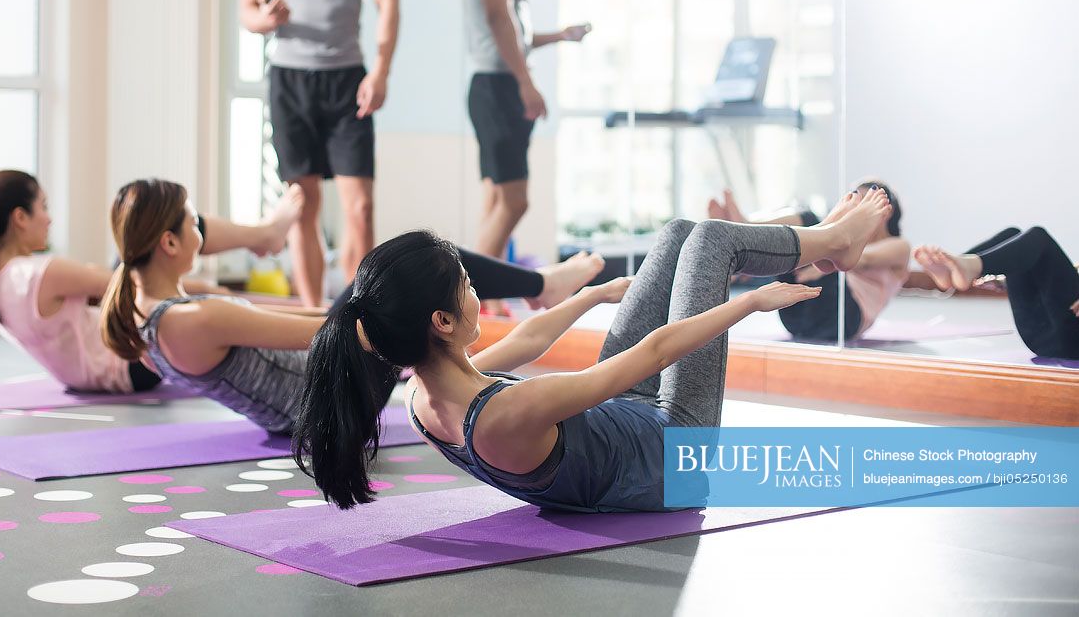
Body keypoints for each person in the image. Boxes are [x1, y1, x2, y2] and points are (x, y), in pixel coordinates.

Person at [293, 189, 892, 511]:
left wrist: (594, 295)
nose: (480, 296)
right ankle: (837, 242)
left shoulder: (423, 392)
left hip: (626, 422)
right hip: (674, 455)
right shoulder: (503, 415)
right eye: (471, 288)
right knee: (710, 242)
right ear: (443, 321)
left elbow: (527, 339)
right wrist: (745, 306)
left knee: (678, 235)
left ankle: (831, 244)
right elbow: (653, 354)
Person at [99, 178, 606, 430]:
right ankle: (540, 286)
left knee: (389, 273)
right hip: (330, 398)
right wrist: (390, 315)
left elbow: (305, 322)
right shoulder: (194, 317)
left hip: (309, 398)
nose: (202, 233)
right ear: (168, 243)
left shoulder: (144, 311)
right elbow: (322, 331)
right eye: (194, 226)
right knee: (416, 261)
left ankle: (540, 286)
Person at [0, 170, 302, 393]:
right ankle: (266, 234)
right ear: (20, 218)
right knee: (159, 220)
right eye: (42, 206)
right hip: (131, 364)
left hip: (86, 376)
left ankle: (264, 235)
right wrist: (211, 293)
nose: (49, 218)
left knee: (143, 242)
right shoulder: (41, 273)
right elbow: (131, 283)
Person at [239, 0, 399, 308]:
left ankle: (361, 320)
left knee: (361, 209)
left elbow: (388, 2)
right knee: (302, 207)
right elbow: (247, 12)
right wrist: (267, 18)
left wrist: (382, 71)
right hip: (290, 80)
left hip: (347, 79)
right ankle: (313, 322)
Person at [467, 0, 590, 314]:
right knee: (515, 201)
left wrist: (560, 35)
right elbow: (498, 17)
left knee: (497, 200)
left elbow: (512, 31)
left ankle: (483, 297)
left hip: (495, 84)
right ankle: (464, 295)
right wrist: (525, 83)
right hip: (498, 86)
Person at [708, 182, 909, 341]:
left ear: (886, 210)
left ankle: (745, 229)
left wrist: (824, 262)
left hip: (844, 318)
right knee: (801, 236)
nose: (854, 211)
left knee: (810, 219)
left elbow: (865, 259)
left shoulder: (900, 245)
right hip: (795, 317)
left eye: (863, 203)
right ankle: (744, 233)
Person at [914, 228, 1079, 359]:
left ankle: (968, 268)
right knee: (1012, 235)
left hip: (1071, 340)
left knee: (1039, 237)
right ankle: (953, 270)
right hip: (1044, 337)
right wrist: (1003, 282)